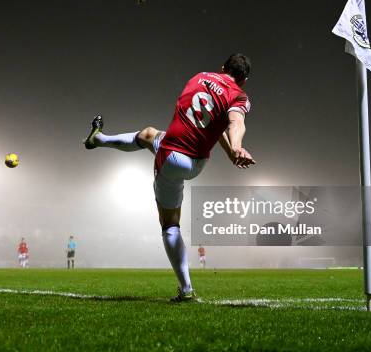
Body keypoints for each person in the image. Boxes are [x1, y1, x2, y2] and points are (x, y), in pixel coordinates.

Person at [83, 54, 255, 302]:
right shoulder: (239, 95)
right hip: (197, 162)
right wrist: (236, 148)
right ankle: (98, 139)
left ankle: (186, 289)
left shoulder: (200, 77)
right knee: (147, 135)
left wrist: (234, 148)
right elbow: (233, 122)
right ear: (244, 80)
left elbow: (219, 120)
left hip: (172, 156)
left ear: (222, 68)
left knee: (170, 225)